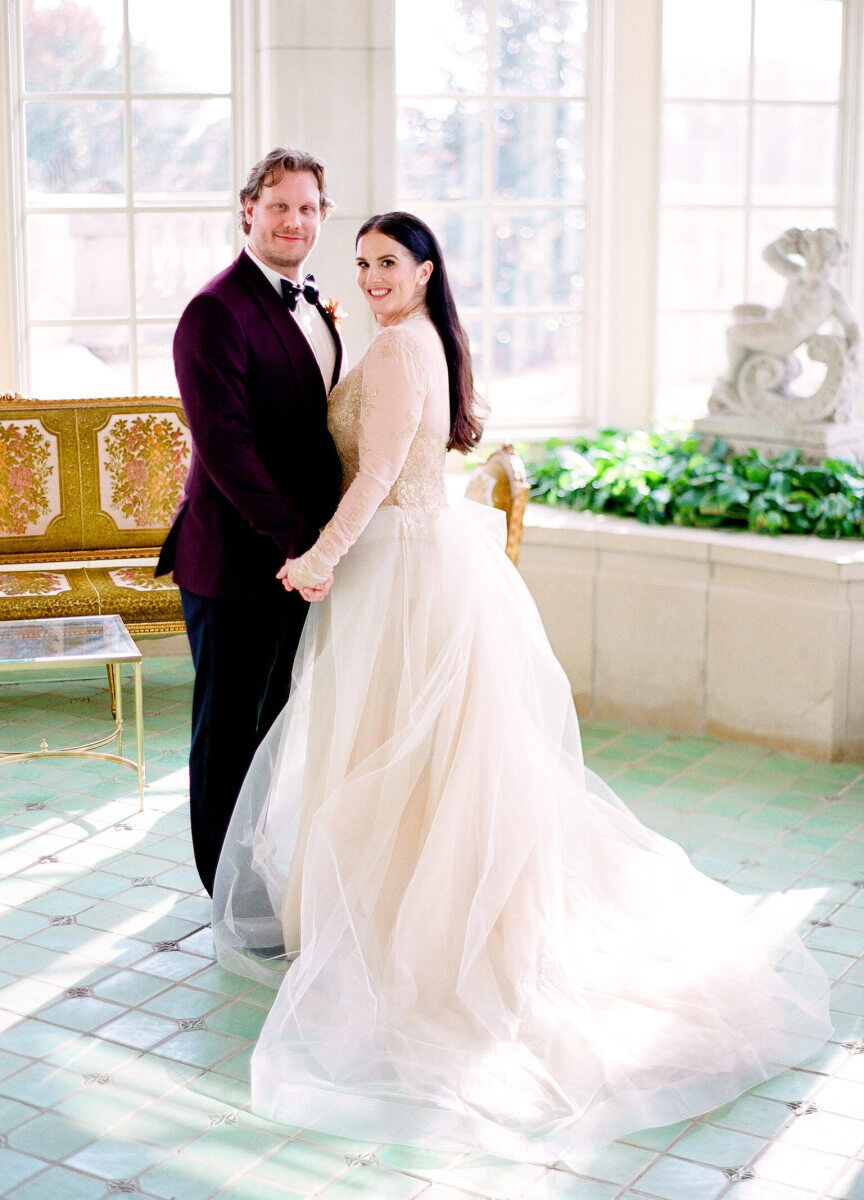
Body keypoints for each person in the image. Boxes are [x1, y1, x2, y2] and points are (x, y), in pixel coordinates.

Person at [212, 212, 831, 1165]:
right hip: (422, 558)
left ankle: (409, 928)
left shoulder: (395, 354)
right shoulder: (415, 340)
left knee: (401, 745)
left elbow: (378, 471)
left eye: (390, 263)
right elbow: (418, 456)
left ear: (425, 271)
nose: (372, 276)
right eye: (364, 261)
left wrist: (320, 557)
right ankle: (397, 906)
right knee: (416, 747)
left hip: (396, 568)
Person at [156, 147, 343, 896]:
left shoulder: (313, 302)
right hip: (235, 563)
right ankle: (225, 893)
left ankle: (259, 871)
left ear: (323, 216)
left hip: (295, 564)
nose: (293, 220)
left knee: (273, 733)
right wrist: (307, 543)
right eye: (278, 206)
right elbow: (226, 449)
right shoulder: (214, 310)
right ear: (247, 211)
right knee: (229, 738)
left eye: (307, 208)